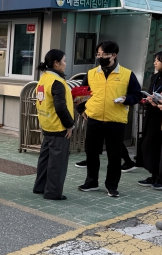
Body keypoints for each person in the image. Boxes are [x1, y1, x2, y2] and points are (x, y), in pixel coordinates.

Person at [77, 40, 142, 197]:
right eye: (98, 54)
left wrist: (126, 99)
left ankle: (112, 186)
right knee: (92, 153)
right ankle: (91, 182)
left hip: (116, 121)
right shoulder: (91, 73)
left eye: (104, 54)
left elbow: (137, 95)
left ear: (114, 55)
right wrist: (81, 110)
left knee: (114, 156)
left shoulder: (127, 74)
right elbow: (81, 94)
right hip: (94, 119)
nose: (101, 57)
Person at [32, 50, 74, 200]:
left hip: (47, 123)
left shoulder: (44, 78)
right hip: (58, 126)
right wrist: (70, 125)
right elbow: (60, 107)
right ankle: (53, 192)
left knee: (45, 159)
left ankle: (40, 187)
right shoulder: (57, 81)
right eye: (64, 61)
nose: (66, 64)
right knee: (57, 162)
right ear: (56, 63)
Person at [138, 51, 162, 189]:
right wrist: (148, 100)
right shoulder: (155, 76)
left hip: (160, 117)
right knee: (149, 144)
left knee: (158, 146)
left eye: (157, 60)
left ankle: (160, 178)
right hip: (152, 115)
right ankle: (154, 175)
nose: (154, 63)